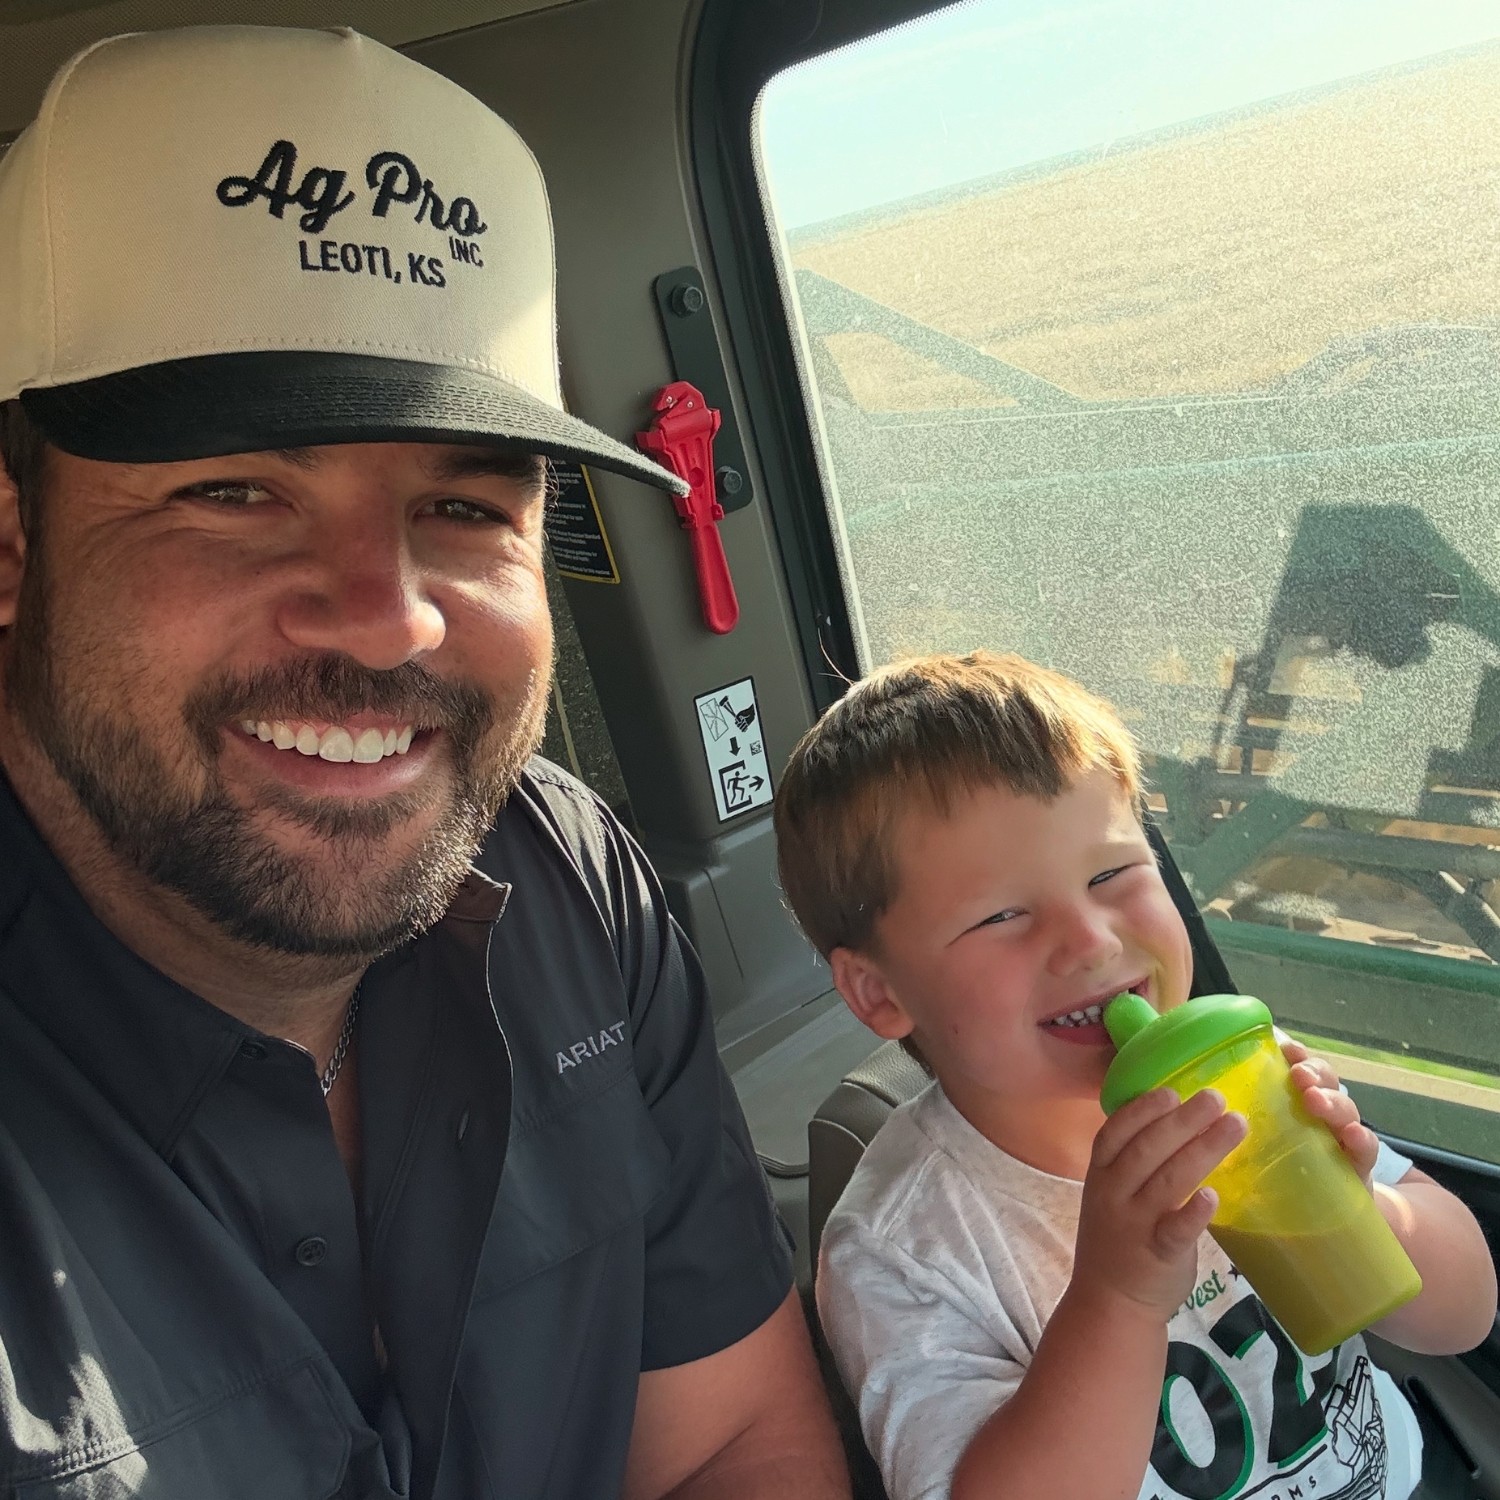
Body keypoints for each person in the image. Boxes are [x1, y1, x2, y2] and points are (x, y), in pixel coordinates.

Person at [0, 24, 849, 1500]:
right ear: (13, 546)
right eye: (234, 490)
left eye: (465, 510)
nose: (391, 618)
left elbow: (730, 1441)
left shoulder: (562, 876)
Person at [774, 650, 1497, 1500]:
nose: (1092, 940)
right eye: (1002, 915)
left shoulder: (1240, 1069)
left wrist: (1361, 1204)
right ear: (881, 992)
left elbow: (1465, 1315)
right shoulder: (905, 1249)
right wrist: (1116, 1296)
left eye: (1112, 873)